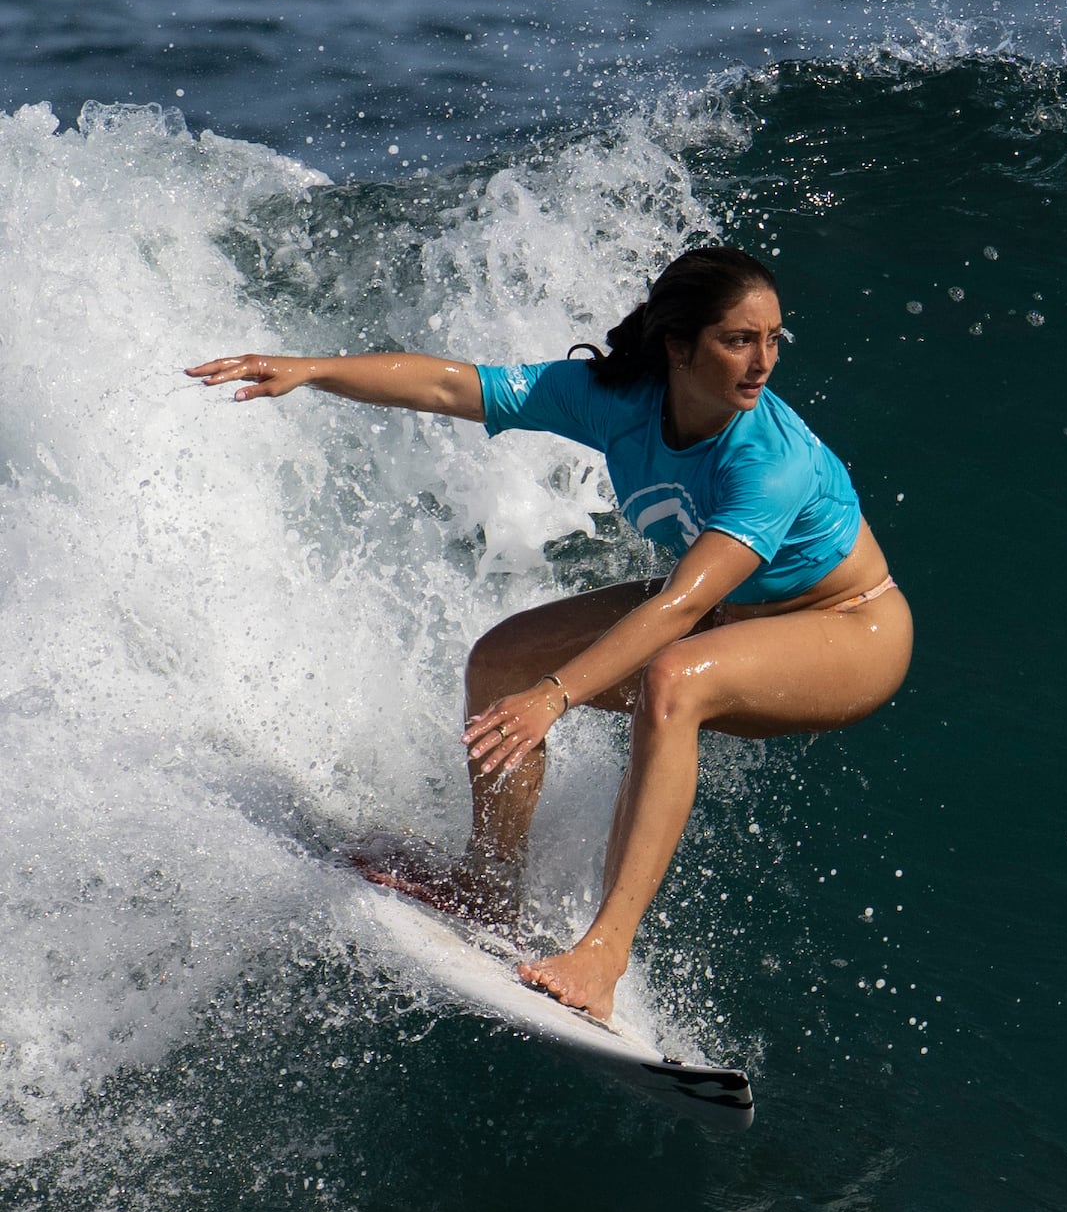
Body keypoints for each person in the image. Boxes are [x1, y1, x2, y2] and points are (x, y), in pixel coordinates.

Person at [186, 246, 910, 1021]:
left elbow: (674, 610)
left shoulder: (769, 460)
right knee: (502, 660)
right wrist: (313, 369)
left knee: (675, 676)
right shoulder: (615, 399)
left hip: (848, 628)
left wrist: (556, 697)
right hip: (726, 611)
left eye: (774, 340)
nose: (763, 361)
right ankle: (489, 888)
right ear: (678, 346)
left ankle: (604, 955)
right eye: (739, 339)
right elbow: (450, 384)